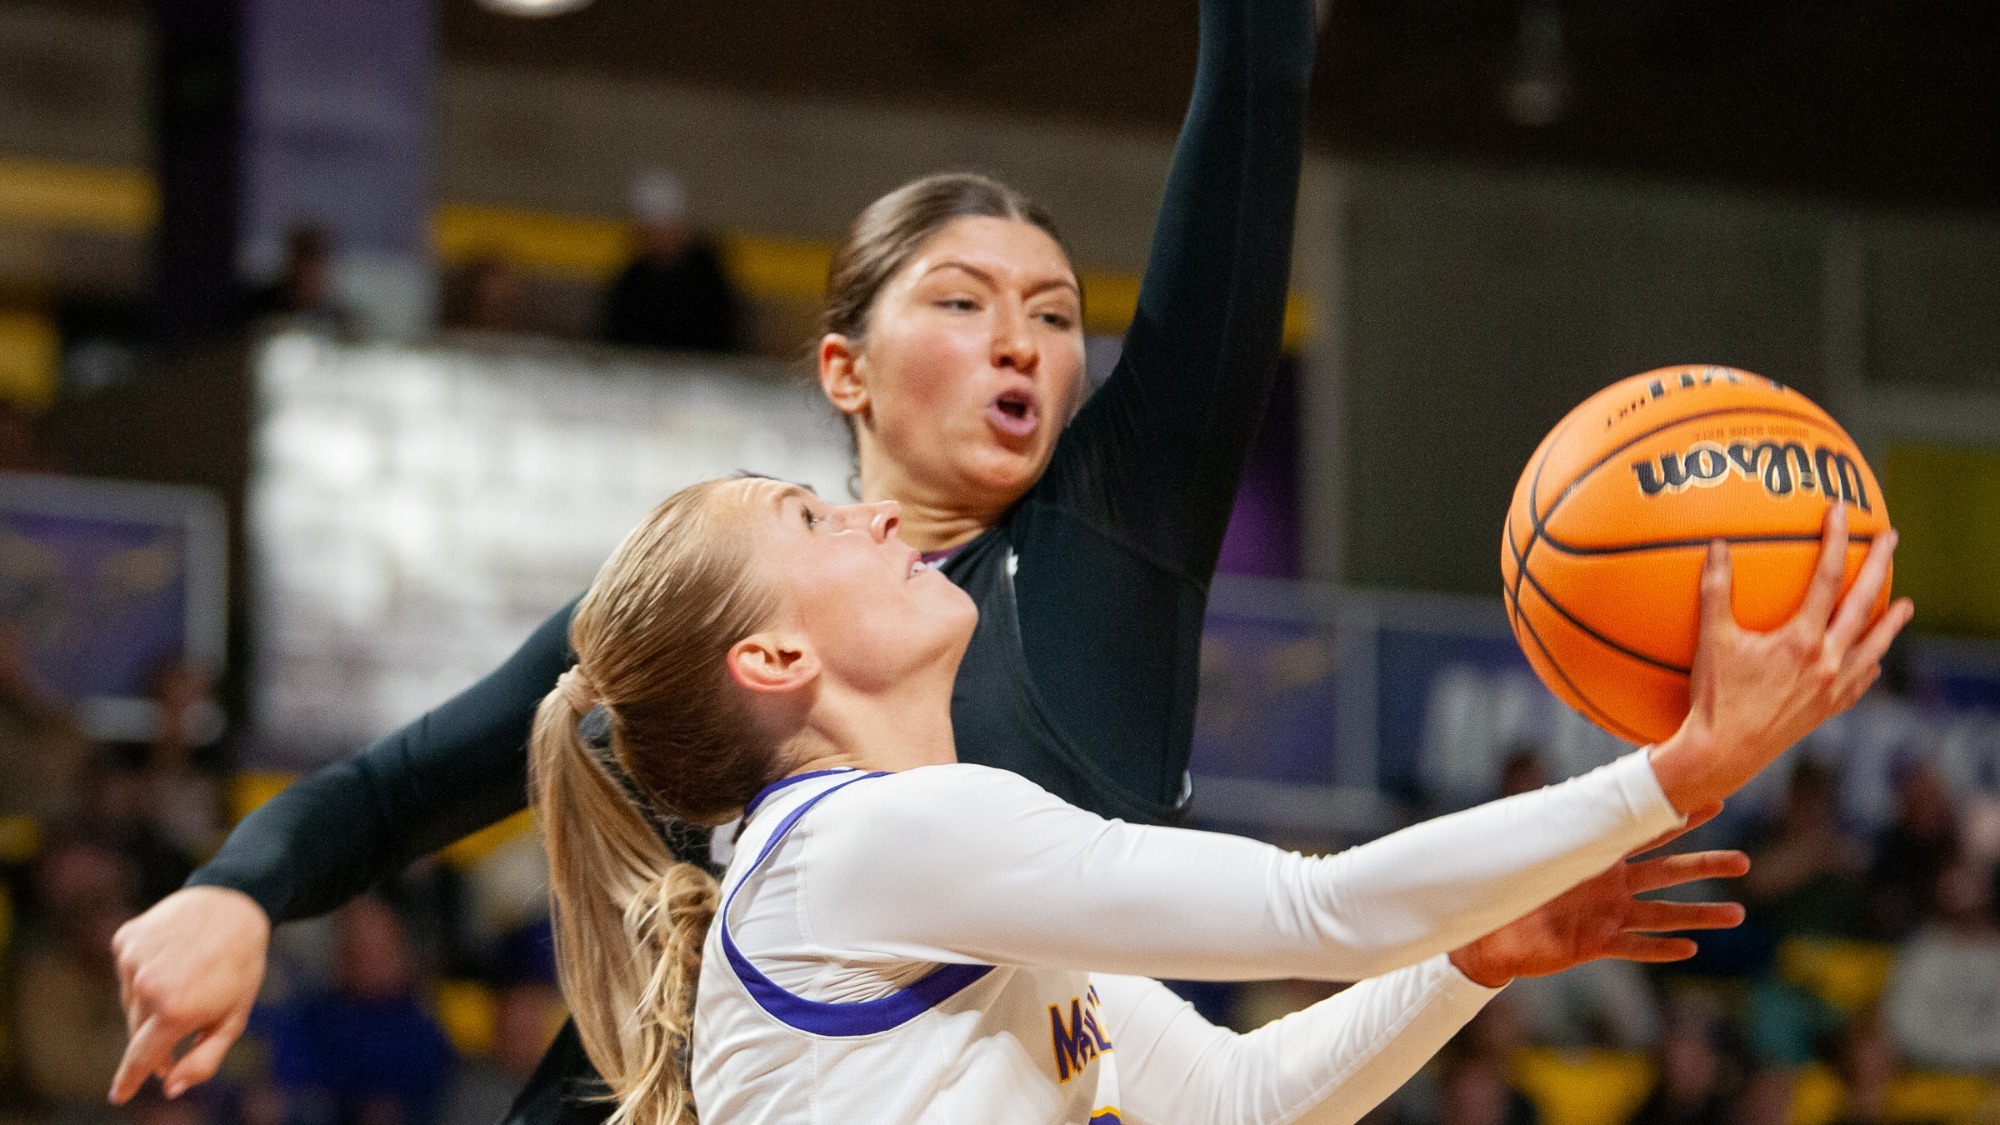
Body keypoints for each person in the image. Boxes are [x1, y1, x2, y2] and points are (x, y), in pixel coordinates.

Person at [104, 0, 1912, 1109]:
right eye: (963, 303)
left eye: (1057, 310)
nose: (1028, 342)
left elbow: (1247, 1088)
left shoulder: (1100, 545)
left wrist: (1471, 963)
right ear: (844, 370)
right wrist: (239, 886)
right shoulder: (728, 635)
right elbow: (403, 786)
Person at [525, 474, 1897, 1124]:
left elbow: (1245, 1102)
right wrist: (1679, 771)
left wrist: (1474, 961)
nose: (874, 516)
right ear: (772, 660)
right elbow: (1324, 909)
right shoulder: (860, 846)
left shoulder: (924, 875)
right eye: (816, 522)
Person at [597, 170, 742, 353]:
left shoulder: (708, 277)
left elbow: (727, 340)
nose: (654, 241)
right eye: (646, 233)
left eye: (659, 231)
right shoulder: (630, 283)